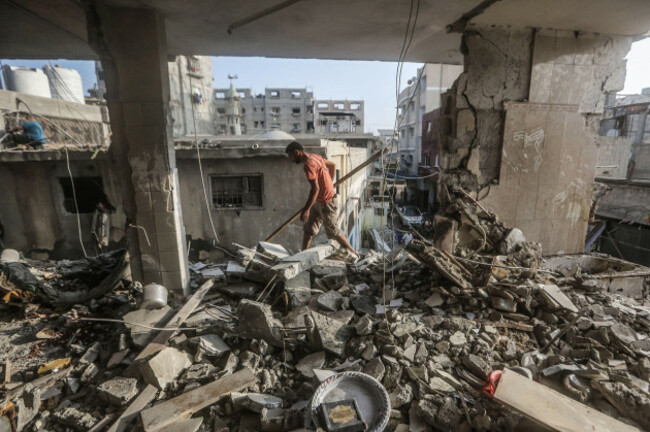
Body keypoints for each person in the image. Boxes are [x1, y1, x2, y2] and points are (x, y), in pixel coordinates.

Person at [285, 141, 360, 258]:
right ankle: (302, 257)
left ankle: (356, 254)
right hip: (319, 201)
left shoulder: (308, 166)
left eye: (291, 156)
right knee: (308, 230)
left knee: (333, 232)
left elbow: (315, 189)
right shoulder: (315, 157)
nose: (291, 160)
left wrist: (306, 210)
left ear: (296, 152)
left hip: (327, 202)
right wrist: (329, 183)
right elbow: (332, 166)